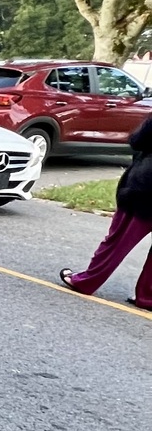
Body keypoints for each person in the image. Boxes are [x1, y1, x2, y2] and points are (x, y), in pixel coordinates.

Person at [60, 115, 152, 309]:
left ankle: (86, 280)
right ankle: (147, 296)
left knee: (117, 240)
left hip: (145, 189)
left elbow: (138, 140)